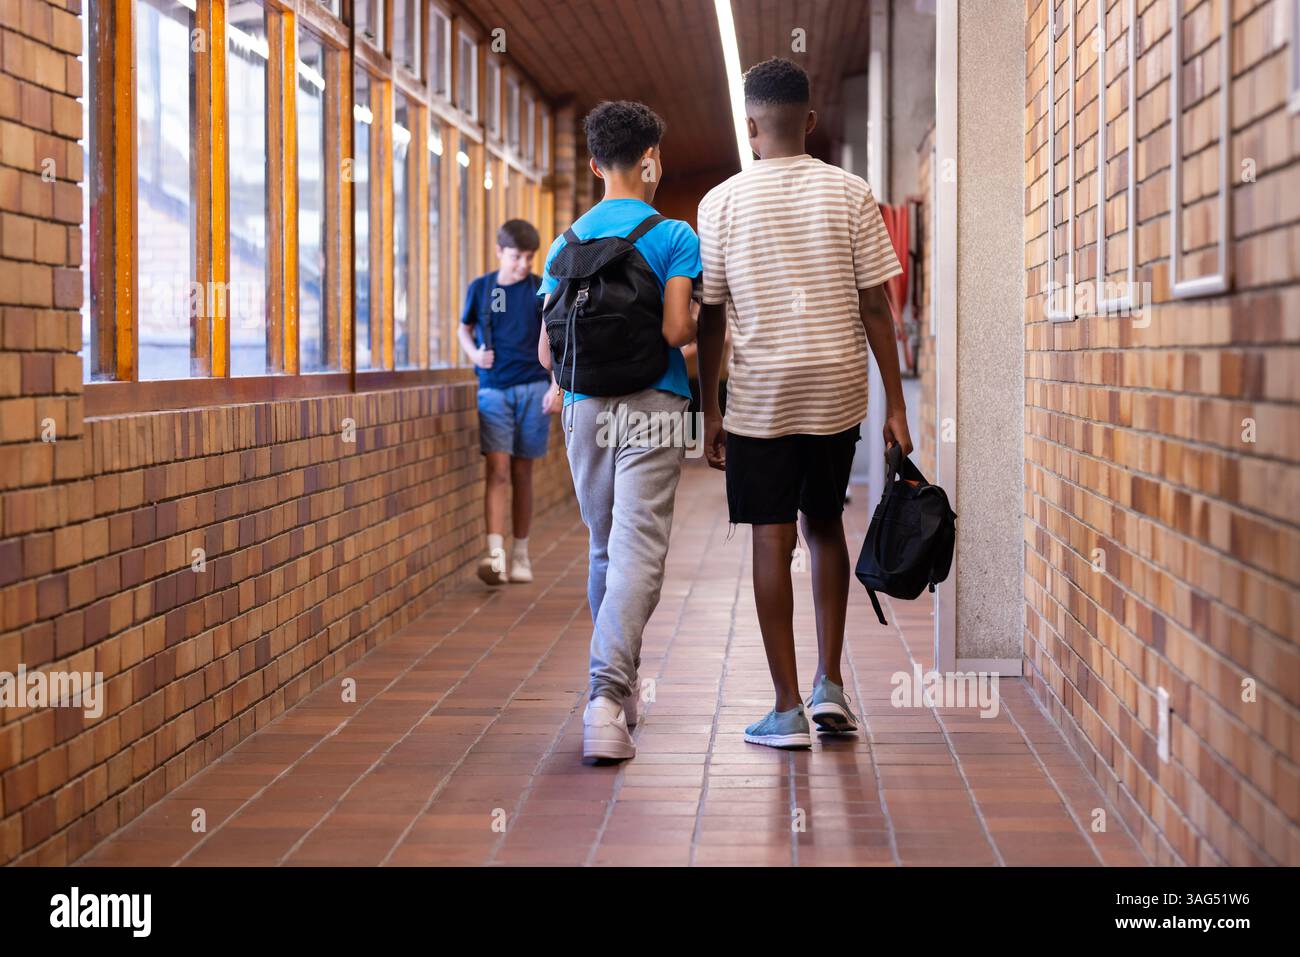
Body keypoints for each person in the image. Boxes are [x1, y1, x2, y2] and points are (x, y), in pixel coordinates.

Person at [696, 57, 913, 749]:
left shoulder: (720, 202)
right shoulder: (851, 193)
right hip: (836, 389)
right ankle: (831, 689)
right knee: (824, 525)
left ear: (751, 124)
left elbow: (709, 315)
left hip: (761, 395)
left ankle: (785, 707)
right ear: (812, 122)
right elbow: (877, 306)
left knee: (770, 534)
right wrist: (897, 404)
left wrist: (710, 408)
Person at [537, 100, 700, 761]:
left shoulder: (565, 242)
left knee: (605, 548)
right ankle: (605, 698)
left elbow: (547, 352)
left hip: (582, 407)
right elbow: (675, 330)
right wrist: (689, 339)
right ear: (651, 159)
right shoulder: (673, 235)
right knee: (639, 554)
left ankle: (618, 684)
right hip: (652, 404)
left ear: (596, 163)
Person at [459, 219, 562, 586]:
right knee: (498, 471)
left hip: (534, 390)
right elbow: (464, 328)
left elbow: (555, 338)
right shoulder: (482, 289)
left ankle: (521, 553)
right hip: (494, 390)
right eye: (517, 256)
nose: (524, 264)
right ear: (500, 252)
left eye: (530, 257)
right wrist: (474, 354)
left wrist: (556, 386)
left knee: (522, 473)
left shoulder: (539, 290)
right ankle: (495, 556)